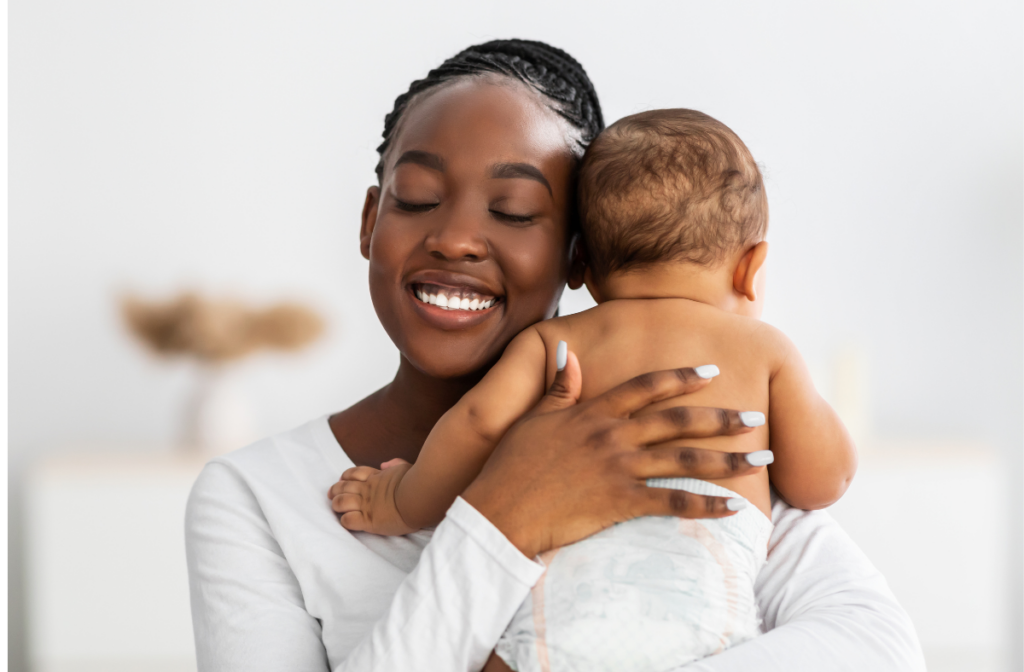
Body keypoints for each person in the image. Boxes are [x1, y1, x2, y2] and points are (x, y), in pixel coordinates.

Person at [185, 39, 925, 672]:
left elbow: (878, 648)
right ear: (371, 220)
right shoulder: (255, 498)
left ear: (580, 257)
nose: (456, 238)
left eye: (512, 212)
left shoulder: (677, 429)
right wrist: (503, 515)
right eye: (415, 197)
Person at [331, 108, 858, 672]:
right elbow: (821, 481)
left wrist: (397, 501)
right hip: (701, 624)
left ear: (578, 262)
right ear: (751, 268)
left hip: (557, 622)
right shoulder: (762, 350)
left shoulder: (554, 342)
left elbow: (477, 425)